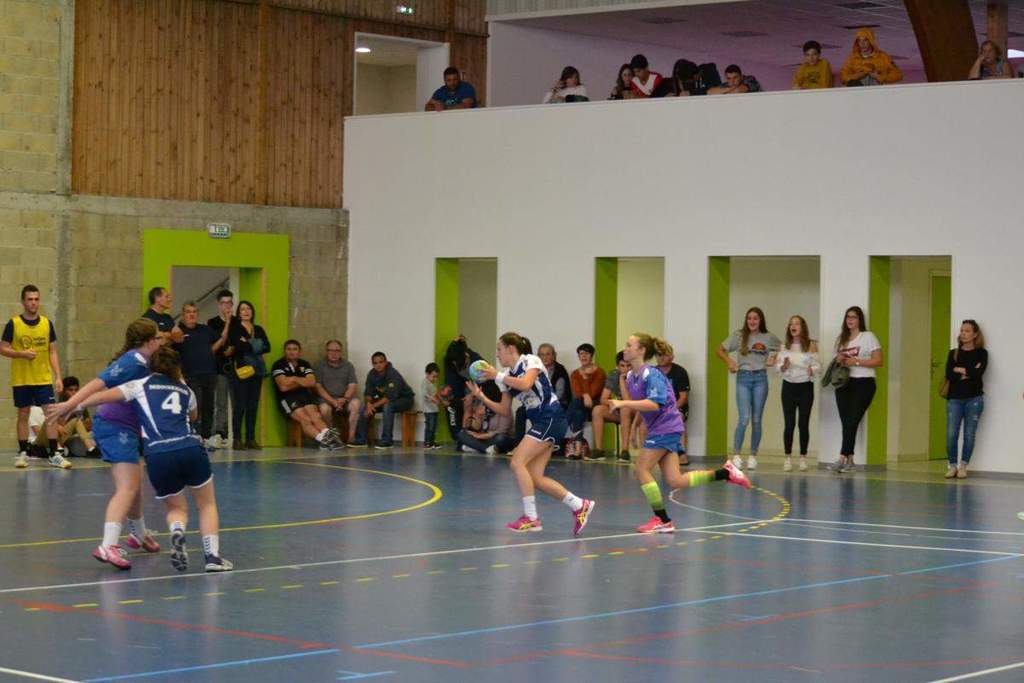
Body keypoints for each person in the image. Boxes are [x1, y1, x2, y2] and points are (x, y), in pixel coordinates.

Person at [64, 347, 233, 572]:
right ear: (177, 367)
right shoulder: (186, 390)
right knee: (206, 504)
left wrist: (71, 406)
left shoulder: (140, 385)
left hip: (158, 454)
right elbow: (193, 416)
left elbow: (102, 396)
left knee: (176, 508)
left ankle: (177, 529)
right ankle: (212, 557)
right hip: (189, 447)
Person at [46, 319, 163, 569]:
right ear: (148, 341)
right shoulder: (132, 361)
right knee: (127, 487)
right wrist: (70, 405)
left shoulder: (145, 361)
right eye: (157, 337)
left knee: (135, 484)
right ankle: (108, 545)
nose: (161, 341)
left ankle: (139, 533)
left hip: (128, 427)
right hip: (115, 426)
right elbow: (97, 384)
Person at [611, 333, 751, 534]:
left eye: (629, 345)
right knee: (675, 480)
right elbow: (639, 405)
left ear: (641, 350)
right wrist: (633, 426)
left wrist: (622, 403)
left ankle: (662, 520)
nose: (625, 348)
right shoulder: (632, 376)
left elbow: (654, 403)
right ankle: (726, 473)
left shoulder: (651, 374)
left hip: (666, 427)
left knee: (641, 468)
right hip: (659, 427)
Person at [469, 332, 595, 535]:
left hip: (551, 417)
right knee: (535, 477)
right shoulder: (505, 376)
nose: (497, 354)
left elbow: (526, 384)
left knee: (517, 462)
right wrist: (481, 396)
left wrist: (496, 375)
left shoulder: (530, 360)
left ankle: (531, 518)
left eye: (499, 349)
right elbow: (504, 410)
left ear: (511, 349)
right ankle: (579, 505)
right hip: (541, 422)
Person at [1, 284, 70, 469]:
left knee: (51, 414)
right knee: (23, 414)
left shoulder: (47, 323)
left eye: (36, 299)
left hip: (43, 378)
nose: (33, 303)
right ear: (23, 301)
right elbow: (3, 348)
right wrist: (21, 354)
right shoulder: (14, 323)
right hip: (22, 378)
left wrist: (58, 376)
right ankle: (23, 453)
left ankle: (54, 454)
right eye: (30, 299)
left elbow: (52, 351)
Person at [716, 307, 780, 470]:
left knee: (757, 419)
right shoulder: (738, 335)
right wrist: (730, 362)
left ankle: (753, 456)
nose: (752, 321)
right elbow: (719, 350)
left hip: (761, 379)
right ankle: (736, 455)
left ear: (761, 320)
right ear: (746, 320)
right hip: (743, 378)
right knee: (744, 418)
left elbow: (783, 348)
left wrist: (774, 358)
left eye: (755, 318)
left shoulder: (768, 337)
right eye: (749, 318)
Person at [831, 306, 883, 473]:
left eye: (853, 317)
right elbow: (837, 362)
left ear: (860, 319)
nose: (850, 320)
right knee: (847, 422)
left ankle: (841, 457)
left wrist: (857, 362)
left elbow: (878, 361)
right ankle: (850, 460)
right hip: (844, 383)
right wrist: (839, 359)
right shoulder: (841, 339)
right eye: (848, 317)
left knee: (852, 420)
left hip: (864, 383)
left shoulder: (868, 337)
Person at [770, 315, 821, 472]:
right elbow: (777, 369)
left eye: (797, 323)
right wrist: (784, 366)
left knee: (803, 424)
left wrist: (812, 369)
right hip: (788, 388)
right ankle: (787, 458)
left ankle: (803, 458)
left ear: (802, 327)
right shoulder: (784, 347)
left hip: (805, 388)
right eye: (791, 323)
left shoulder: (811, 345)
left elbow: (818, 366)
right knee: (789, 424)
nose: (793, 326)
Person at [173, 301, 226, 448]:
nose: (192, 315)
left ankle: (206, 437)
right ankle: (193, 435)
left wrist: (211, 350)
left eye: (194, 312)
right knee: (196, 406)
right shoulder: (178, 331)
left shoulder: (205, 329)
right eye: (188, 312)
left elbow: (220, 339)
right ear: (183, 314)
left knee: (209, 407)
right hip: (190, 375)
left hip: (209, 374)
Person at [272, 340, 341, 450]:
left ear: (299, 352)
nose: (292, 352)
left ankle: (327, 436)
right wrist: (302, 381)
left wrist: (293, 378)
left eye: (295, 349)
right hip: (287, 398)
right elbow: (283, 387)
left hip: (305, 395)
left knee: (315, 416)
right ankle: (323, 440)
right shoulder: (278, 365)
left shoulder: (304, 364)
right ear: (285, 351)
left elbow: (311, 382)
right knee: (305, 419)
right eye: (289, 349)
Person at [944, 320, 987, 479]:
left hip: (974, 399)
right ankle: (952, 465)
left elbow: (978, 373)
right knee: (951, 434)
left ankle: (963, 466)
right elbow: (950, 374)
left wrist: (959, 369)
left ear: (975, 334)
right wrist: (968, 371)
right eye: (962, 330)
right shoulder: (953, 353)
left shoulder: (982, 353)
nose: (963, 333)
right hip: (954, 399)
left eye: (967, 331)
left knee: (969, 434)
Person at [228, 301, 270, 450]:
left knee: (253, 405)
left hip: (257, 371)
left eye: (248, 309)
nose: (246, 311)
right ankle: (237, 438)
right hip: (242, 371)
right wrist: (256, 344)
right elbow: (239, 347)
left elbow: (267, 347)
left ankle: (250, 438)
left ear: (252, 312)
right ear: (239, 313)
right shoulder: (235, 329)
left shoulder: (258, 329)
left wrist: (248, 343)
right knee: (240, 405)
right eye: (242, 309)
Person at [353, 351, 415, 449]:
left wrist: (372, 406)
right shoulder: (372, 374)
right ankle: (361, 440)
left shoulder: (393, 374)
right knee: (364, 407)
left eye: (380, 362)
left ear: (386, 362)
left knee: (388, 406)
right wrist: (368, 404)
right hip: (385, 400)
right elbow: (368, 393)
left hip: (404, 399)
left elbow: (389, 398)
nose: (378, 365)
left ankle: (387, 441)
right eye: (375, 363)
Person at [314, 340, 362, 445]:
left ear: (341, 352)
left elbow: (352, 385)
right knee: (324, 409)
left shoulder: (348, 365)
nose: (334, 353)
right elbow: (318, 387)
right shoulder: (319, 366)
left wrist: (344, 399)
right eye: (330, 350)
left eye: (337, 350)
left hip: (343, 399)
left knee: (356, 403)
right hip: (326, 400)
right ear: (326, 351)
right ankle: (331, 437)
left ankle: (351, 438)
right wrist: (333, 401)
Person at [206, 289, 237, 448]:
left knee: (237, 403)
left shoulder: (238, 321)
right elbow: (218, 341)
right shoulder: (212, 322)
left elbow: (241, 341)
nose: (227, 306)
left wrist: (234, 348)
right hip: (219, 367)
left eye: (229, 303)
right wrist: (228, 323)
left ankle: (237, 435)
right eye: (224, 303)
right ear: (219, 304)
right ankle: (220, 432)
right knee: (221, 402)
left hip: (236, 368)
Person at [590, 351, 634, 461]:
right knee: (597, 410)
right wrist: (614, 404)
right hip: (620, 408)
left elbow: (628, 401)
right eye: (622, 366)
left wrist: (622, 380)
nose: (626, 369)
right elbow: (603, 399)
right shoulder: (614, 375)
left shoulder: (638, 375)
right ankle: (599, 450)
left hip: (636, 411)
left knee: (625, 408)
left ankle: (625, 451)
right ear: (617, 366)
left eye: (629, 365)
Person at [565, 343, 607, 459]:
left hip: (596, 405)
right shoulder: (575, 374)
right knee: (578, 412)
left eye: (586, 353)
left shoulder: (600, 372)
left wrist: (584, 379)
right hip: (581, 404)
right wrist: (585, 395)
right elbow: (577, 391)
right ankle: (578, 451)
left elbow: (594, 392)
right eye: (581, 354)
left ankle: (560, 428)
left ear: (592, 356)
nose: (583, 356)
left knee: (576, 403)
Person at [655, 343, 691, 464]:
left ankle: (681, 454)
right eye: (659, 355)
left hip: (677, 407)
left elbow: (683, 398)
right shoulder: (653, 372)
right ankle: (648, 453)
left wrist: (669, 410)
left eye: (664, 355)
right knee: (644, 422)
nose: (661, 358)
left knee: (677, 418)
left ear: (671, 356)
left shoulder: (680, 372)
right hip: (657, 407)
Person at [456, 382, 513, 454]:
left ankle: (476, 448)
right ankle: (486, 449)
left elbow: (501, 431)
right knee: (461, 434)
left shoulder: (504, 408)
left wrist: (480, 436)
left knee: (501, 438)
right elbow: (476, 427)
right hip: (483, 438)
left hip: (494, 437)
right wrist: (478, 417)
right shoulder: (481, 405)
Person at [442, 336, 481, 440]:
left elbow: (486, 384)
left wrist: (472, 394)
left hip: (476, 388)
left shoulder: (477, 362)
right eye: (453, 363)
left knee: (471, 408)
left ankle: (470, 437)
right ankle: (461, 438)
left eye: (458, 363)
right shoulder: (451, 357)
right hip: (460, 389)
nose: (455, 364)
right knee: (455, 408)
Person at [537, 343, 571, 410]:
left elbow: (559, 394)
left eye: (548, 354)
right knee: (521, 411)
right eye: (542, 355)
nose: (545, 358)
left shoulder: (560, 370)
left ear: (553, 355)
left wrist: (544, 403)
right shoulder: (535, 370)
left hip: (557, 403)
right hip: (538, 403)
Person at [422, 362, 442, 449]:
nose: (435, 379)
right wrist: (434, 399)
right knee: (429, 426)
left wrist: (441, 400)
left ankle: (432, 441)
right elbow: (425, 394)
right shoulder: (425, 383)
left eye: (436, 377)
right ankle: (427, 442)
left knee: (434, 426)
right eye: (433, 376)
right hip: (428, 410)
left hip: (434, 409)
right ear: (427, 374)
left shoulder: (433, 383)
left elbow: (435, 393)